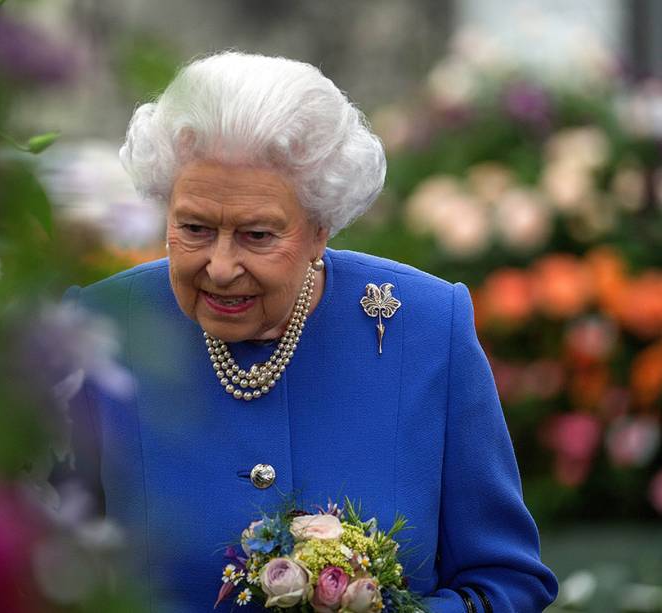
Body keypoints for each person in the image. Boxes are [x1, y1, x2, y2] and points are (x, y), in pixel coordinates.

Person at [61, 51, 558, 612]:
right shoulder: (102, 327)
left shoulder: (425, 326)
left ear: (320, 228)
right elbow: (38, 572)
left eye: (257, 235)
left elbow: (506, 584)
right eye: (194, 228)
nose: (220, 267)